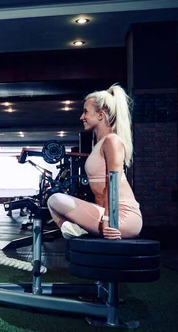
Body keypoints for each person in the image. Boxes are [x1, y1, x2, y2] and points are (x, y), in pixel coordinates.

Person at [47, 84, 142, 240]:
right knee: (52, 201)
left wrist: (107, 220)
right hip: (107, 211)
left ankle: (80, 233)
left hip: (122, 216)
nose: (81, 117)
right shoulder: (100, 143)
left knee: (56, 199)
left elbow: (114, 182)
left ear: (100, 115)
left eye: (85, 112)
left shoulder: (112, 141)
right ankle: (78, 235)